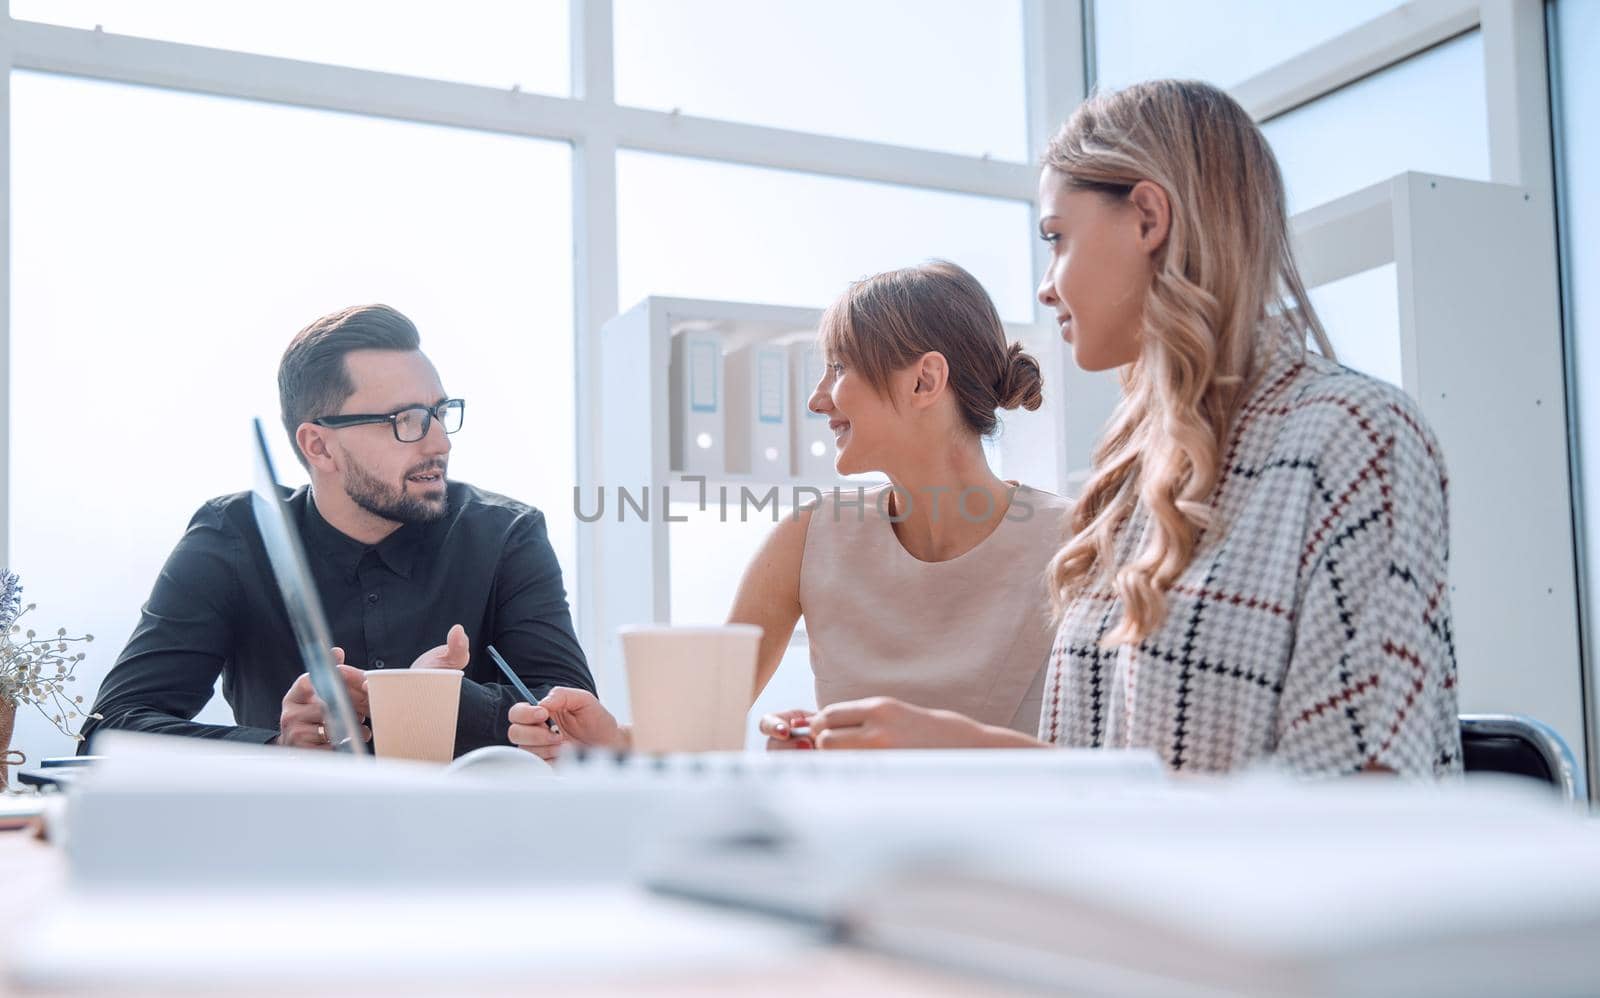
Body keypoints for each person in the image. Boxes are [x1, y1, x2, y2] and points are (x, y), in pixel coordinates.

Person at [787, 81, 1461, 777]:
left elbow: (1361, 810)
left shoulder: (1355, 440)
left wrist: (974, 753)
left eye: (1057, 239)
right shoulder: (1126, 476)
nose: (1046, 286)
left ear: (1146, 218)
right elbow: (1104, 783)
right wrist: (948, 756)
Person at [505, 261, 1072, 758]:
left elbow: (1127, 764)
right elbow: (702, 721)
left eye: (839, 368)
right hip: (843, 853)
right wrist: (611, 738)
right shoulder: (811, 536)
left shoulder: (1076, 543)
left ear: (925, 380)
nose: (817, 397)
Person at [82, 304, 594, 756]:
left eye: (440, 413)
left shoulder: (507, 534)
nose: (439, 441)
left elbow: (577, 720)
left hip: (475, 843)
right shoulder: (231, 535)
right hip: (287, 847)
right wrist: (280, 747)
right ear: (319, 447)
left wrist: (434, 700)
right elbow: (110, 730)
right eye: (407, 419)